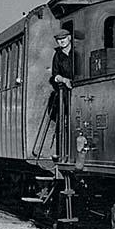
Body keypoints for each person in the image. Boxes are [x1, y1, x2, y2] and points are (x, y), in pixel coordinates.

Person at [48, 29, 75, 159]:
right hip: (65, 90)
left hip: (77, 87)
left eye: (63, 39)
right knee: (62, 119)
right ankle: (61, 150)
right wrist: (64, 80)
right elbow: (55, 75)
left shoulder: (76, 51)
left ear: (69, 38)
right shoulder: (57, 55)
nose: (61, 41)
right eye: (59, 40)